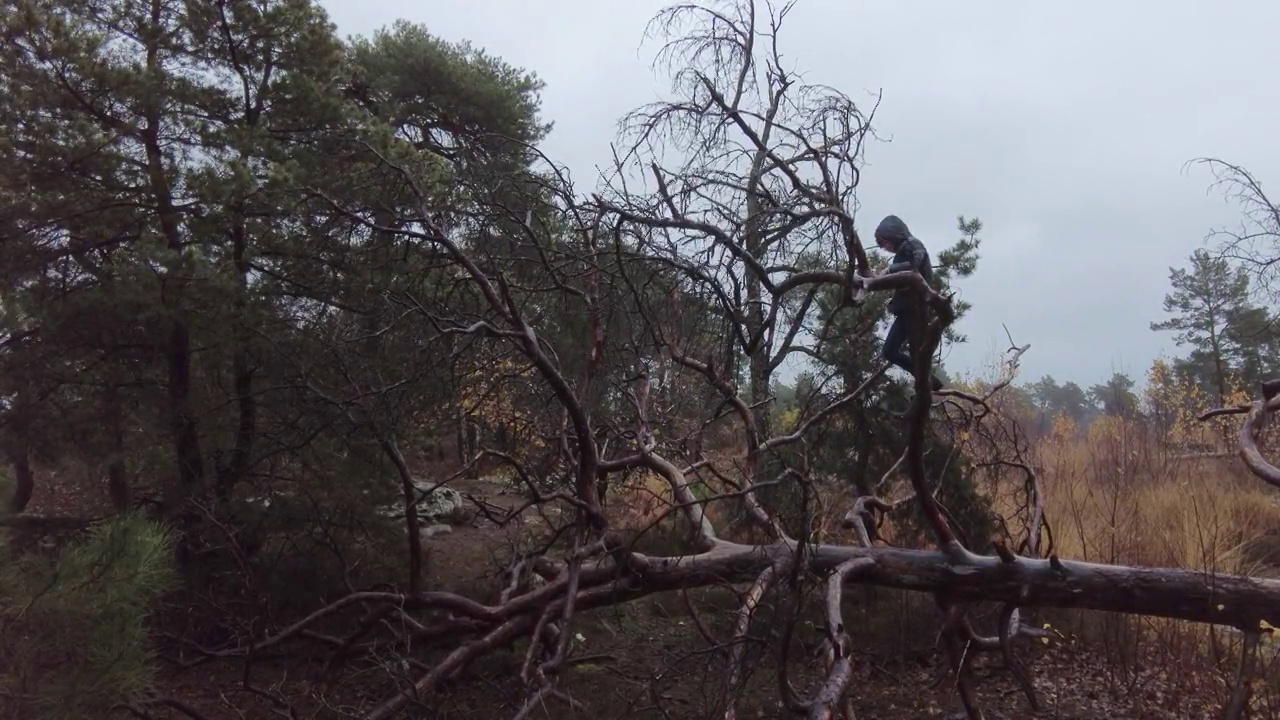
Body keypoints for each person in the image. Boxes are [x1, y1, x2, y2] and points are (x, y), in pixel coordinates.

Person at [873, 214, 945, 392]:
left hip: (917, 309)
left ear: (892, 235)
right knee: (889, 350)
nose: (884, 247)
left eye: (884, 242)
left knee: (917, 352)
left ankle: (924, 384)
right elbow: (901, 282)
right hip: (906, 310)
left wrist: (890, 270)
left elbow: (914, 266)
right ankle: (928, 379)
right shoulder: (901, 251)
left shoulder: (914, 245)